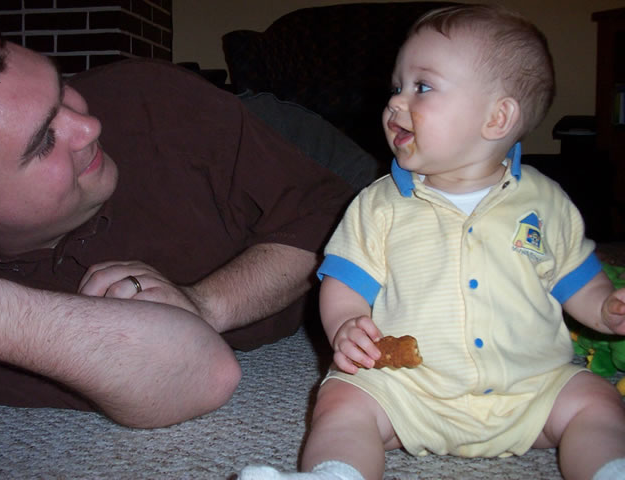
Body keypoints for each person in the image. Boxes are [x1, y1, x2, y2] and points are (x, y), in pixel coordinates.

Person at [0, 0, 363, 427]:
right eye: (43, 140)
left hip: (274, 139)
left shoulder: (147, 96)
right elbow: (194, 376)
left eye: (62, 88)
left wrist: (205, 304)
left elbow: (335, 217)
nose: (90, 126)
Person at [240, 5, 625, 480]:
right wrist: (346, 325)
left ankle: (610, 470)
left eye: (422, 87)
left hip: (530, 388)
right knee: (341, 400)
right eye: (396, 87)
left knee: (596, 401)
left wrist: (606, 307)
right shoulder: (378, 204)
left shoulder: (547, 202)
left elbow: (577, 279)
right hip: (405, 393)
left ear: (497, 118)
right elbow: (345, 282)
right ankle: (335, 473)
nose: (396, 103)